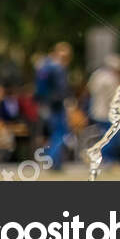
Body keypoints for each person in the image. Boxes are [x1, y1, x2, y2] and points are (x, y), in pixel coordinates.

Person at [33, 42, 73, 171]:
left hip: (47, 103)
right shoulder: (57, 67)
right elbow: (62, 89)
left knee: (55, 133)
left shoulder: (44, 65)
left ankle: (51, 160)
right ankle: (53, 161)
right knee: (60, 133)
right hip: (56, 104)